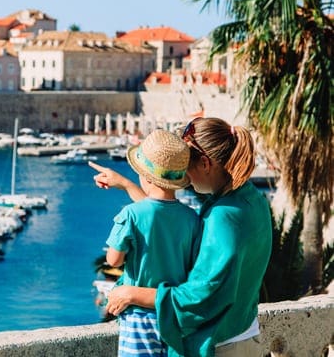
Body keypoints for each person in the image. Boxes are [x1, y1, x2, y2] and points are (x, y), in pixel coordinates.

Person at [89, 117, 272, 357]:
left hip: (221, 345)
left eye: (187, 165)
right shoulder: (251, 200)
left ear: (205, 163)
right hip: (244, 331)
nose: (183, 176)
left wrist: (131, 293)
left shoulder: (222, 217)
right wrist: (126, 185)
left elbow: (200, 296)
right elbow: (165, 216)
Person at [101, 129, 201, 356]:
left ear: (145, 176)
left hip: (138, 316)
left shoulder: (131, 214)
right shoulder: (192, 218)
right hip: (172, 315)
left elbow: (114, 260)